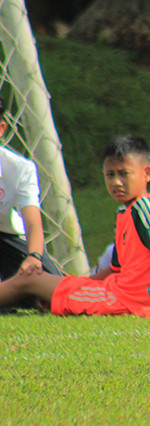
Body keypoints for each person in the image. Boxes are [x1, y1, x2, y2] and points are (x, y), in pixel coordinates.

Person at [0, 135, 150, 319]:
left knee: (30, 280)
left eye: (124, 174)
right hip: (130, 296)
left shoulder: (144, 210)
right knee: (43, 281)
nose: (116, 182)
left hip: (131, 300)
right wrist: (75, 287)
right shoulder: (128, 212)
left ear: (147, 173)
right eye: (110, 175)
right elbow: (115, 270)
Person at [0, 97, 62, 285]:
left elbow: (33, 223)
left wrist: (34, 257)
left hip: (6, 237)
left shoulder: (20, 168)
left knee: (50, 286)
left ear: (1, 129)